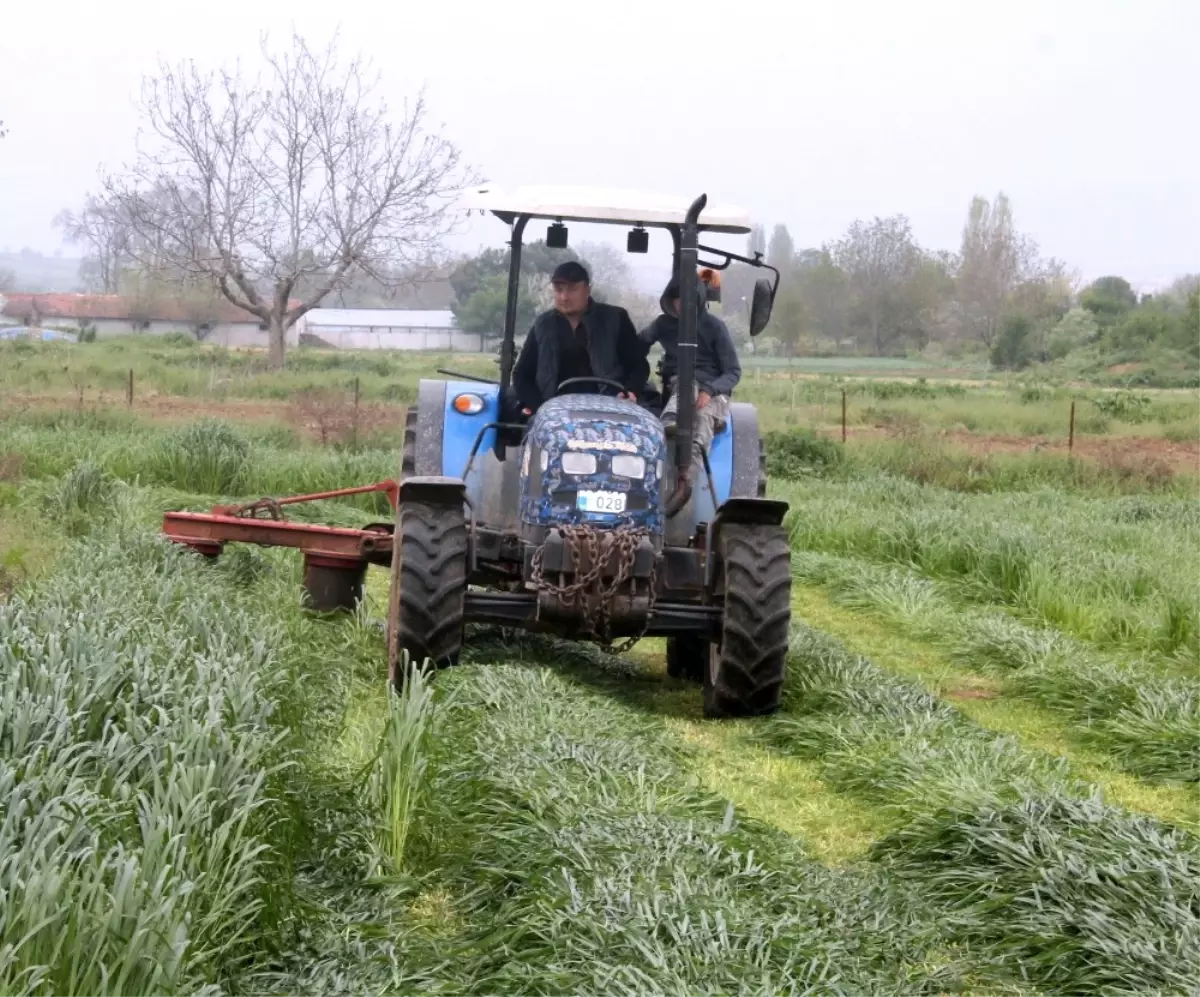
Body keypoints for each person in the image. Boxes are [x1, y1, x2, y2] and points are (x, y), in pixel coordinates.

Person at [512, 260, 649, 415]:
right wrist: (538, 407)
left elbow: (638, 366)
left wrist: (630, 392)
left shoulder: (615, 318)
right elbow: (522, 374)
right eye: (558, 290)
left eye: (572, 290)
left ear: (587, 290)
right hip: (554, 408)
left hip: (608, 407)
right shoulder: (543, 324)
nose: (564, 297)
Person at [639, 272, 742, 462]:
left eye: (686, 299)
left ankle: (686, 479)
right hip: (678, 385)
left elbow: (733, 371)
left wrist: (710, 390)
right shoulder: (663, 324)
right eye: (676, 299)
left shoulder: (714, 327)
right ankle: (667, 429)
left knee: (701, 419)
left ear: (698, 299)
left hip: (713, 393)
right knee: (685, 382)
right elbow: (636, 346)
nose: (681, 304)